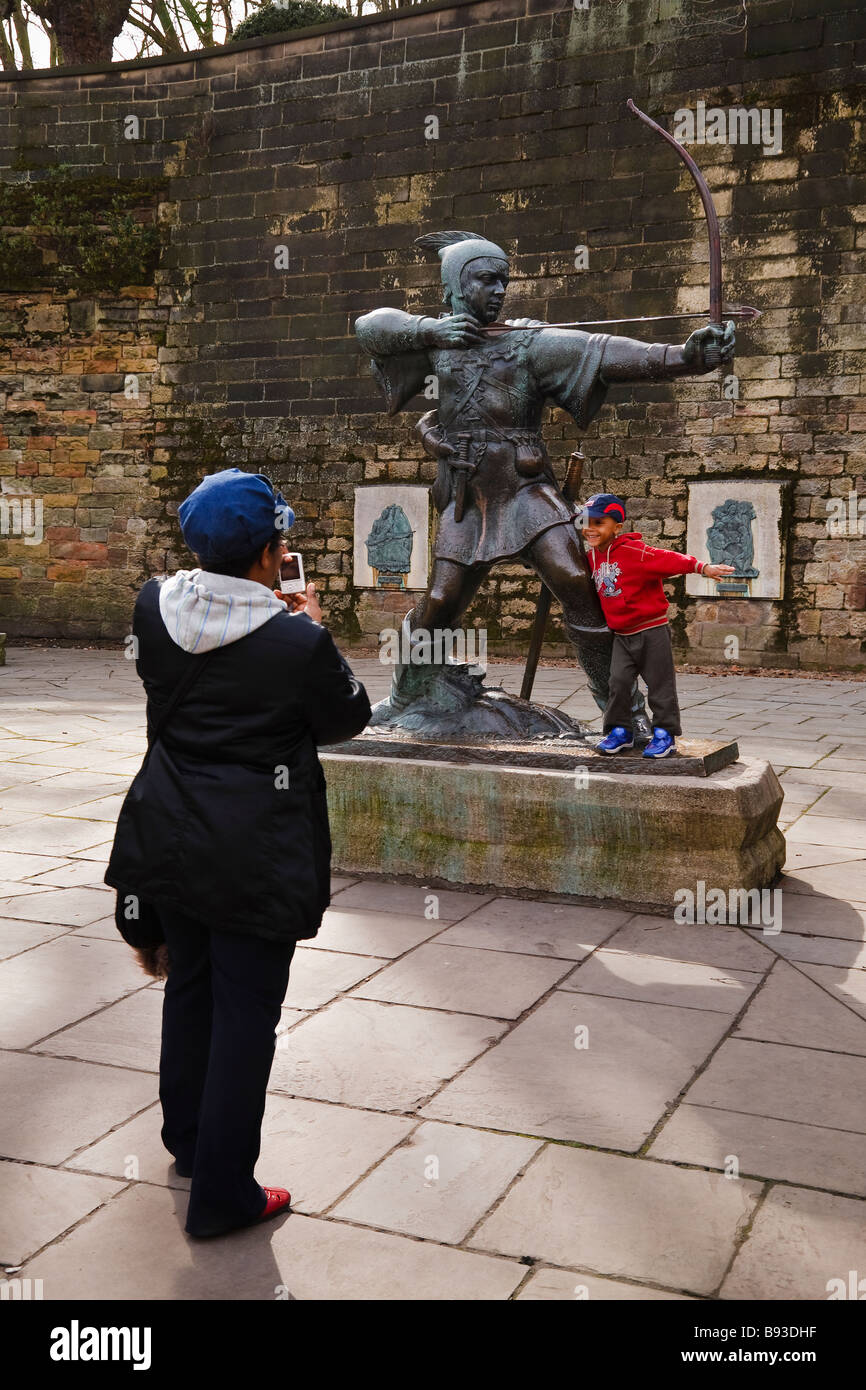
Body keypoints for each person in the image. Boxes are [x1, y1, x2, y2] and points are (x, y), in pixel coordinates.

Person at [104, 468, 371, 1238]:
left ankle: (189, 1146)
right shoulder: (295, 642)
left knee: (189, 990)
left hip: (174, 837)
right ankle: (224, 1195)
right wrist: (313, 626)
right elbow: (344, 718)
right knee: (246, 1014)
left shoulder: (154, 606)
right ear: (268, 553)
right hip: (256, 850)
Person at [355, 229, 735, 738]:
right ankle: (405, 696)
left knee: (577, 580)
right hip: (467, 495)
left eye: (503, 281)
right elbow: (370, 327)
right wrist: (431, 331)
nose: (498, 291)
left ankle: (624, 713)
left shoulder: (527, 344)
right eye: (485, 280)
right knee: (442, 601)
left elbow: (602, 352)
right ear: (454, 285)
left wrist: (684, 358)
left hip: (525, 490)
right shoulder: (436, 343)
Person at [581, 493, 734, 758]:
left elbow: (669, 559)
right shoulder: (591, 558)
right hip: (622, 635)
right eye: (586, 523)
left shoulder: (635, 552)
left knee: (659, 685)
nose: (590, 529)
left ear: (617, 527)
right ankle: (620, 730)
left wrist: (702, 567)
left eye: (598, 523)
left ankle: (665, 733)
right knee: (616, 683)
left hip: (651, 631)